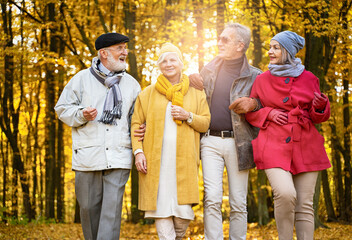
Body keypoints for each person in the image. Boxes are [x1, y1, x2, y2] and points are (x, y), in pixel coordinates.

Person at [55, 32, 141, 240]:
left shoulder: (131, 84)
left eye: (125, 48)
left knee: (111, 213)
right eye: (119, 48)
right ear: (103, 53)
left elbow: (138, 118)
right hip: (88, 156)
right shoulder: (81, 80)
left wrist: (141, 131)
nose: (124, 52)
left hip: (119, 155)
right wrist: (81, 114)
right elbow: (62, 108)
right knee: (88, 210)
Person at [245, 31, 331, 239]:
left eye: (276, 47)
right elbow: (249, 111)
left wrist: (320, 107)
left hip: (306, 144)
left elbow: (317, 116)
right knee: (285, 193)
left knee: (305, 204)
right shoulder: (262, 80)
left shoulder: (310, 78)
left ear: (288, 51)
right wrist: (269, 113)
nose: (270, 51)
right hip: (272, 143)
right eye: (270, 47)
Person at [189, 22, 262, 240]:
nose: (219, 42)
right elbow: (195, 102)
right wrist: (191, 82)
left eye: (225, 39)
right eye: (219, 38)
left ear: (240, 45)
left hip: (240, 144)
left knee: (238, 201)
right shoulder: (208, 70)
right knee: (211, 197)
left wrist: (255, 104)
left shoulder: (256, 76)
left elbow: (266, 106)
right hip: (210, 140)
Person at [131, 43, 210, 240]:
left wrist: (188, 115)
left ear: (181, 63)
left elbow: (205, 123)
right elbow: (136, 124)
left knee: (182, 217)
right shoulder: (147, 93)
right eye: (164, 61)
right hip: (156, 163)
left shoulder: (195, 92)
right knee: (161, 210)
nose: (168, 64)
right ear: (159, 65)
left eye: (172, 59)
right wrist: (138, 152)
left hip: (184, 163)